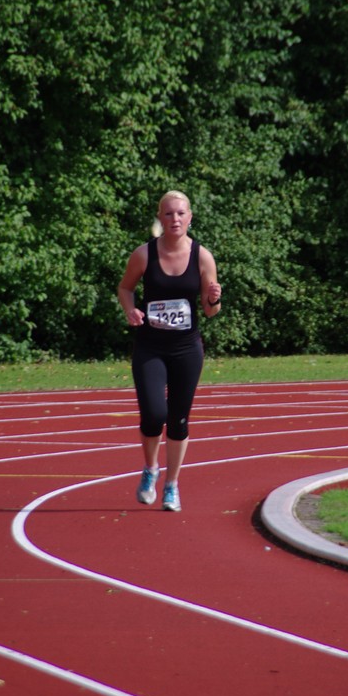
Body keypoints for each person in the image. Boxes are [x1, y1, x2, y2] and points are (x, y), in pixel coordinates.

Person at [117, 190, 222, 511]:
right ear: (160, 218)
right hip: (150, 347)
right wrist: (130, 310)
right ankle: (150, 469)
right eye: (168, 213)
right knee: (153, 415)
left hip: (186, 349)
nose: (175, 219)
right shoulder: (144, 254)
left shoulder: (202, 257)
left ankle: (172, 485)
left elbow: (209, 311)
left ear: (190, 217)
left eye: (180, 213)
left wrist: (214, 298)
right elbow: (125, 288)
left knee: (178, 420)